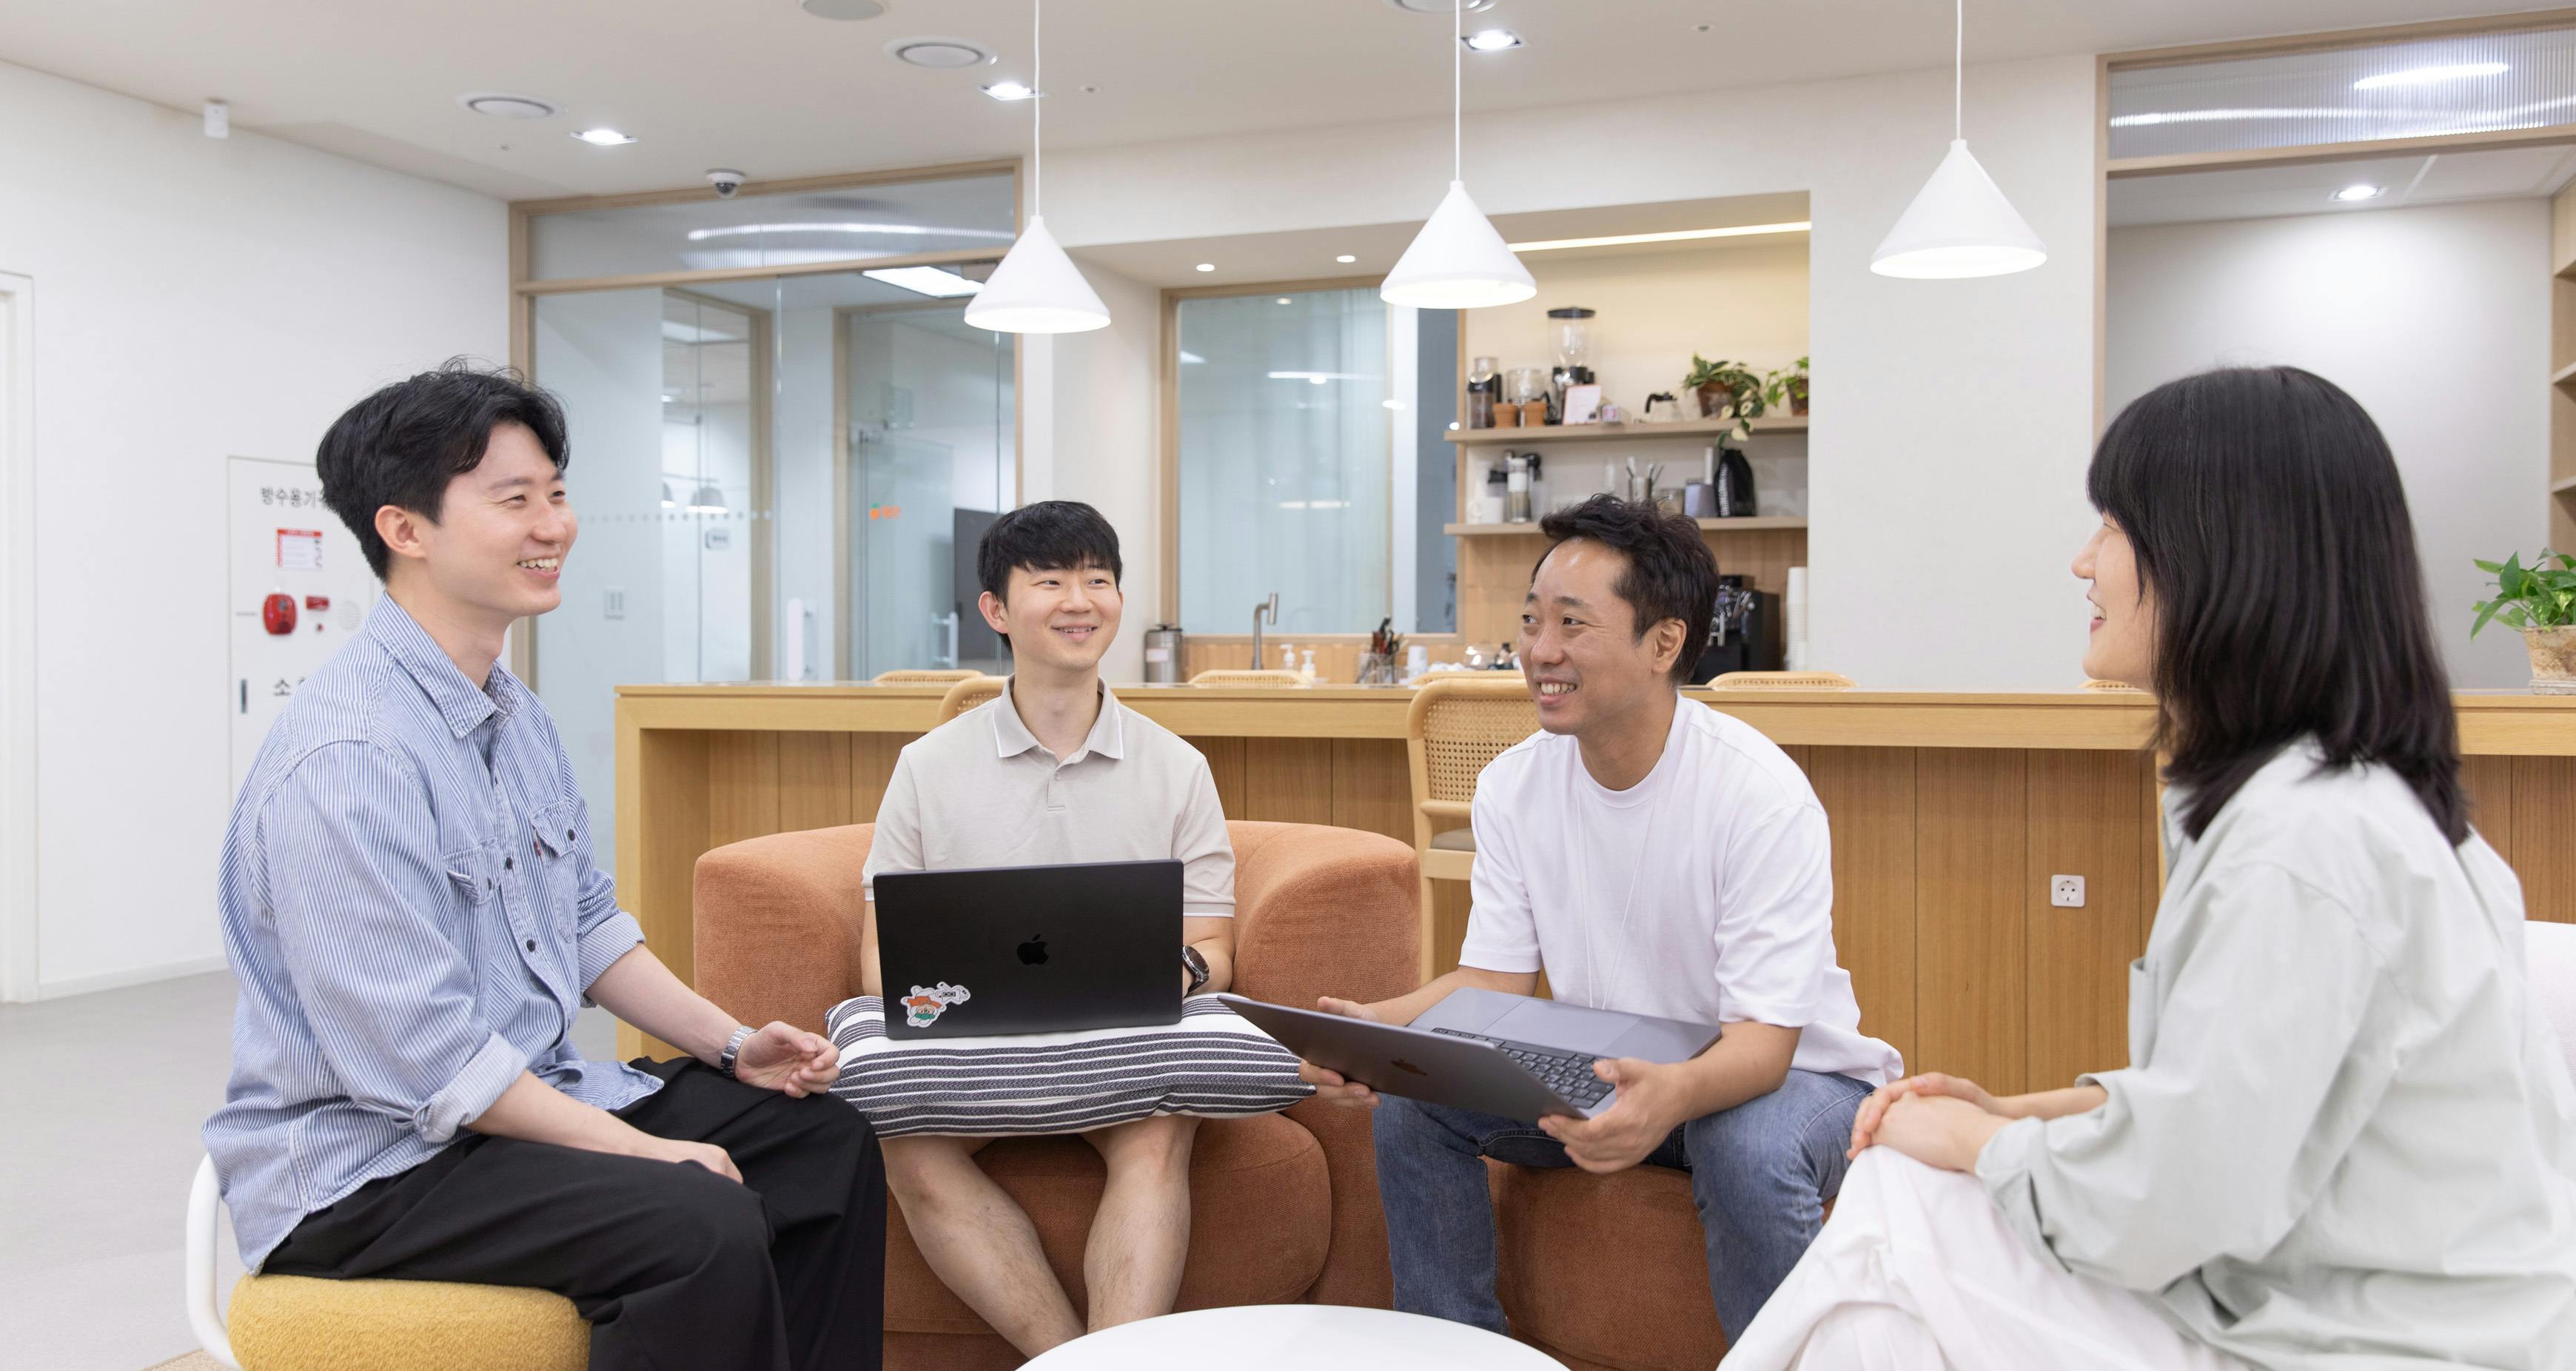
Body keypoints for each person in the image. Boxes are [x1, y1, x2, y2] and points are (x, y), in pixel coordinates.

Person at [1729, 367, 2576, 1371]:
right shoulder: (2342, 806)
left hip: (2371, 1340)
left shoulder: (2303, 844)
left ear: (2220, 554)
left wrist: (1974, 1142)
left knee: (1898, 1211)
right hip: (2346, 1299)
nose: (2083, 561)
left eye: (2113, 526)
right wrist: (2019, 1112)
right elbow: (2240, 1108)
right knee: (1896, 1230)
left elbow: (2178, 1199)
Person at [204, 363, 886, 1371]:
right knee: (697, 1221)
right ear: (404, 529)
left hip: (508, 1108)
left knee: (823, 1142)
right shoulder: (351, 760)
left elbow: (585, 924)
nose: (553, 525)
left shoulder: (511, 712)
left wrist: (735, 1044)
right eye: (513, 499)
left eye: (556, 493)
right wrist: (653, 1152)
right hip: (373, 1170)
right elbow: (432, 1069)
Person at [1300, 494, 1903, 1343]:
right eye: (1531, 621)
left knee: (1742, 1145)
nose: (1540, 651)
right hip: (1612, 1068)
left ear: (1664, 644)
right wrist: (1379, 1031)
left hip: (1794, 1078)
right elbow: (1493, 981)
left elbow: (1765, 1046)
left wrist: (1670, 1097)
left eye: (1573, 624)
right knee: (1414, 1105)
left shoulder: (1756, 794)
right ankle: (1458, 1353)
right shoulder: (1514, 784)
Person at [861, 500, 1236, 1358]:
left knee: (1158, 1133)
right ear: (996, 609)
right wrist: (940, 1000)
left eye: (1098, 580)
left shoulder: (1178, 768)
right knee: (910, 1149)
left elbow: (1216, 946)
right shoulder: (927, 768)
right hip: (978, 1041)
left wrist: (1172, 970)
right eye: (1051, 581)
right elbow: (880, 952)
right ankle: (1071, 1359)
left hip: (1124, 1039)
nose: (1080, 601)